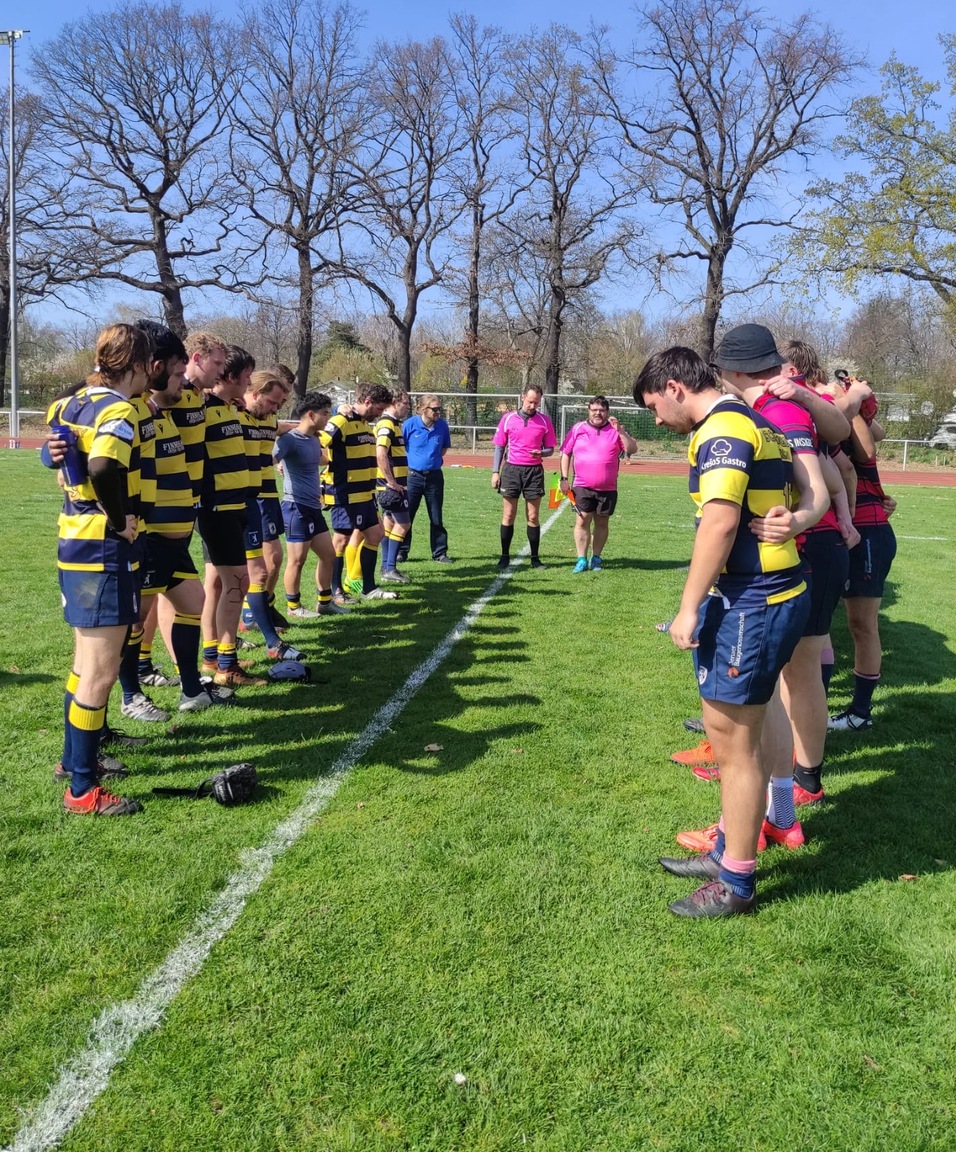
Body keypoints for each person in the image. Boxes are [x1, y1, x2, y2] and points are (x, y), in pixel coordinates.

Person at [633, 346, 814, 917]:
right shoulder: (756, 420)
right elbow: (813, 486)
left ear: (674, 386)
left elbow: (720, 520)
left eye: (654, 406)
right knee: (762, 715)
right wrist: (804, 513)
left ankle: (736, 881)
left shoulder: (723, 429)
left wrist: (689, 608)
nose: (656, 419)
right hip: (777, 591)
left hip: (751, 601)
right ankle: (760, 829)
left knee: (732, 741)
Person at [50, 324, 155, 816]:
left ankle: (73, 762)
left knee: (83, 661)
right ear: (136, 366)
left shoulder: (67, 404)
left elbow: (62, 458)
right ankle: (83, 790)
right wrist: (121, 522)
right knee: (101, 671)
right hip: (101, 549)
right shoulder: (118, 410)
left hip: (71, 540)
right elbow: (101, 467)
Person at [197, 345, 267, 687]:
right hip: (217, 508)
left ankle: (214, 657)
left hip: (236, 506)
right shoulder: (202, 408)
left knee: (220, 583)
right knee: (238, 582)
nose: (250, 381)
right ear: (228, 376)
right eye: (246, 375)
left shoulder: (228, 408)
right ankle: (227, 667)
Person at [320, 381, 398, 601]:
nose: (380, 413)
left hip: (365, 493)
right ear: (367, 401)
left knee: (375, 534)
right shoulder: (341, 420)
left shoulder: (366, 424)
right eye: (379, 408)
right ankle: (335, 591)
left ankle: (368, 588)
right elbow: (318, 441)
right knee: (341, 541)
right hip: (345, 493)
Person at [274, 391, 344, 617]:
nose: (328, 418)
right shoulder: (289, 439)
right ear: (311, 415)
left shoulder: (314, 438)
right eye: (325, 414)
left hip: (313, 508)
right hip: (295, 508)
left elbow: (321, 459)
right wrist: (279, 463)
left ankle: (324, 602)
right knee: (297, 560)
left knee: (328, 555)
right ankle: (293, 607)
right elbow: (271, 458)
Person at [558, 395, 638, 572]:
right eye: (594, 410)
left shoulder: (615, 431)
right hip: (582, 486)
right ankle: (581, 559)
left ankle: (596, 558)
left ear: (607, 412)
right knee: (582, 521)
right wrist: (563, 479)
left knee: (602, 523)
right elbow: (565, 453)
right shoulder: (578, 428)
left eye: (601, 410)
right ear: (589, 411)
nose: (597, 413)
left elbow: (632, 449)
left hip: (608, 488)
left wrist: (621, 432)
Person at [492, 384, 556, 569]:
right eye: (530, 402)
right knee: (508, 514)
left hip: (534, 472)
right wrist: (495, 472)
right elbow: (499, 447)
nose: (532, 406)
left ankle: (535, 559)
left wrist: (541, 453)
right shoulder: (508, 418)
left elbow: (550, 448)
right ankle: (504, 556)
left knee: (533, 516)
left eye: (536, 402)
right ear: (522, 398)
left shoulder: (544, 421)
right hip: (511, 470)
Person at [400, 394, 453, 564]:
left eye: (439, 409)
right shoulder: (409, 425)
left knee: (436, 517)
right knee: (407, 517)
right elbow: (400, 448)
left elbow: (443, 448)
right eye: (435, 409)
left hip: (434, 478)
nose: (438, 412)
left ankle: (439, 553)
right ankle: (401, 551)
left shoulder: (442, 426)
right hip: (412, 477)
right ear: (423, 409)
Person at [376, 390, 413, 583]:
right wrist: (391, 481)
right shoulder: (387, 425)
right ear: (394, 403)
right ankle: (390, 567)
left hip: (395, 484)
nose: (407, 407)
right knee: (404, 524)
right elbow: (381, 453)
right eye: (405, 403)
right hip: (392, 486)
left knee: (389, 524)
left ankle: (386, 566)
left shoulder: (395, 425)